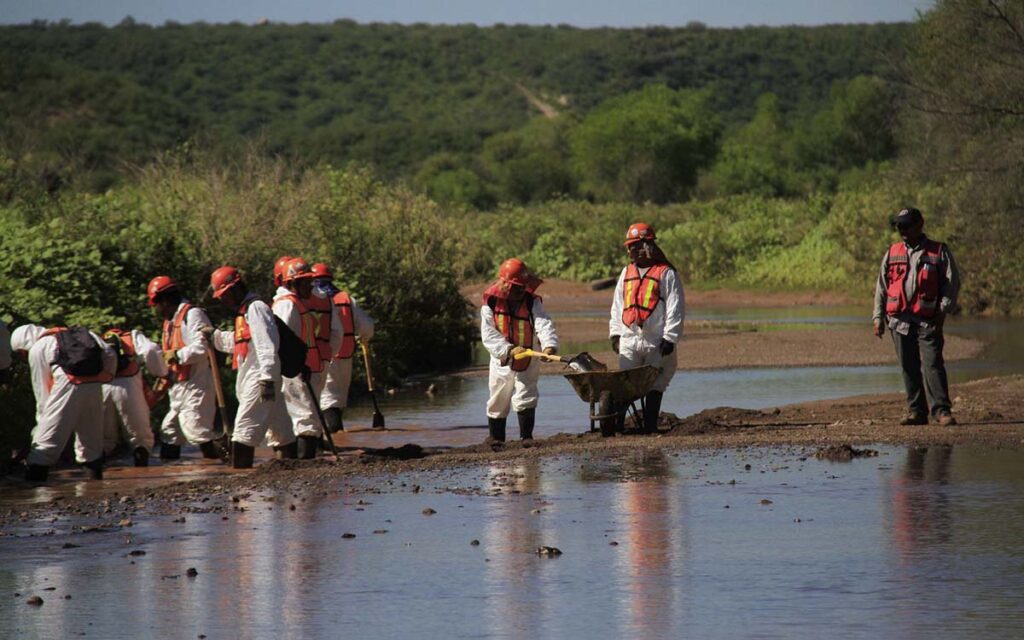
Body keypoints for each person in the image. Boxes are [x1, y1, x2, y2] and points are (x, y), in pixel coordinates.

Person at [873, 207, 960, 426]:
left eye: (906, 225)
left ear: (920, 224)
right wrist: (877, 317)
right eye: (898, 226)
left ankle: (941, 411)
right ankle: (916, 412)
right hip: (899, 320)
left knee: (933, 364)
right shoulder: (892, 252)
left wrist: (943, 310)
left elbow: (951, 283)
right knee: (908, 366)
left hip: (929, 319)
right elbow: (882, 286)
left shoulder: (939, 250)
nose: (901, 230)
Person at [206, 266, 294, 468]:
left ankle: (241, 478)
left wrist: (267, 379)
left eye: (224, 295)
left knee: (244, 431)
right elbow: (241, 344)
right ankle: (290, 471)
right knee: (280, 430)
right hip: (262, 377)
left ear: (235, 288)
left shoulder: (256, 308)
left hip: (260, 379)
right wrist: (215, 337)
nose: (222, 300)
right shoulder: (244, 312)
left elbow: (267, 345)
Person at [10, 324, 117, 482]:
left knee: (45, 443)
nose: (23, 357)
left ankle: (36, 489)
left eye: (21, 353)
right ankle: (95, 487)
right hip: (94, 386)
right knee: (91, 441)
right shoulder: (81, 334)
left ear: (24, 345)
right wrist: (106, 376)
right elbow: (109, 353)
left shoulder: (38, 347)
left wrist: (41, 425)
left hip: (67, 386)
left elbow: (42, 392)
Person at [609, 222, 685, 433]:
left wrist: (670, 337)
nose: (630, 250)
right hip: (629, 339)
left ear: (648, 246)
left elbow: (675, 307)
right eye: (629, 246)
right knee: (626, 384)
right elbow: (617, 306)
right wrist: (615, 333)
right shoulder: (626, 273)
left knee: (656, 384)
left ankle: (650, 427)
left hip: (656, 341)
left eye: (635, 245)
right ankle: (616, 427)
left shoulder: (666, 274)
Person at [148, 275, 227, 460]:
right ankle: (169, 478)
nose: (157, 310)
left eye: (157, 305)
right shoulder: (170, 321)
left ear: (165, 301)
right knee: (169, 431)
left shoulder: (192, 314)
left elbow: (202, 349)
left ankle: (226, 463)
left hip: (196, 385)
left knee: (197, 432)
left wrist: (176, 355)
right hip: (179, 388)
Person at [480, 258, 558, 442]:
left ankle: (526, 439)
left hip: (529, 358)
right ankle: (496, 440)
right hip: (502, 361)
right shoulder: (491, 302)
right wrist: (508, 350)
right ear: (505, 285)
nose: (520, 291)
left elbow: (543, 322)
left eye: (522, 286)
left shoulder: (531, 302)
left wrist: (549, 345)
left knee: (526, 395)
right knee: (498, 400)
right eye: (516, 287)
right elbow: (488, 334)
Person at [272, 258, 339, 458]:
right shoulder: (287, 306)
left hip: (302, 368)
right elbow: (281, 341)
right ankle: (304, 464)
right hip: (294, 371)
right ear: (292, 283)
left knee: (306, 416)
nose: (311, 285)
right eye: (306, 281)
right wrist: (296, 366)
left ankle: (299, 462)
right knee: (306, 417)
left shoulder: (296, 303)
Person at [311, 262, 375, 433]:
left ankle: (332, 433)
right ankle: (335, 432)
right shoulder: (346, 299)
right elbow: (367, 326)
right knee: (336, 396)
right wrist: (364, 337)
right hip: (343, 355)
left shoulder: (307, 301)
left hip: (319, 355)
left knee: (325, 396)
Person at [99, 327, 167, 466]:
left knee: (104, 438)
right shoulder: (131, 335)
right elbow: (150, 349)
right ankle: (141, 469)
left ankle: (96, 478)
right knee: (139, 437)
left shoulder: (97, 340)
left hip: (102, 386)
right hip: (128, 384)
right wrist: (160, 371)